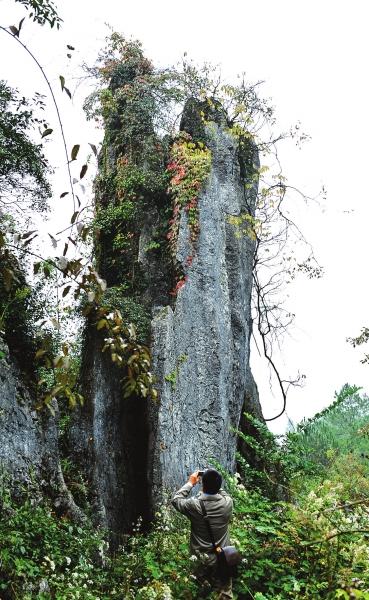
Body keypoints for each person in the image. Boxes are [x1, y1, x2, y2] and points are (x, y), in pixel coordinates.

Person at [171, 468, 233, 600]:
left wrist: (190, 482)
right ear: (219, 485)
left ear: (202, 484)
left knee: (198, 593)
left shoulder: (194, 505)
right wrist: (213, 479)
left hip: (200, 559)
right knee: (224, 594)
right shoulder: (228, 503)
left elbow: (176, 500)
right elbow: (222, 491)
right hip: (222, 558)